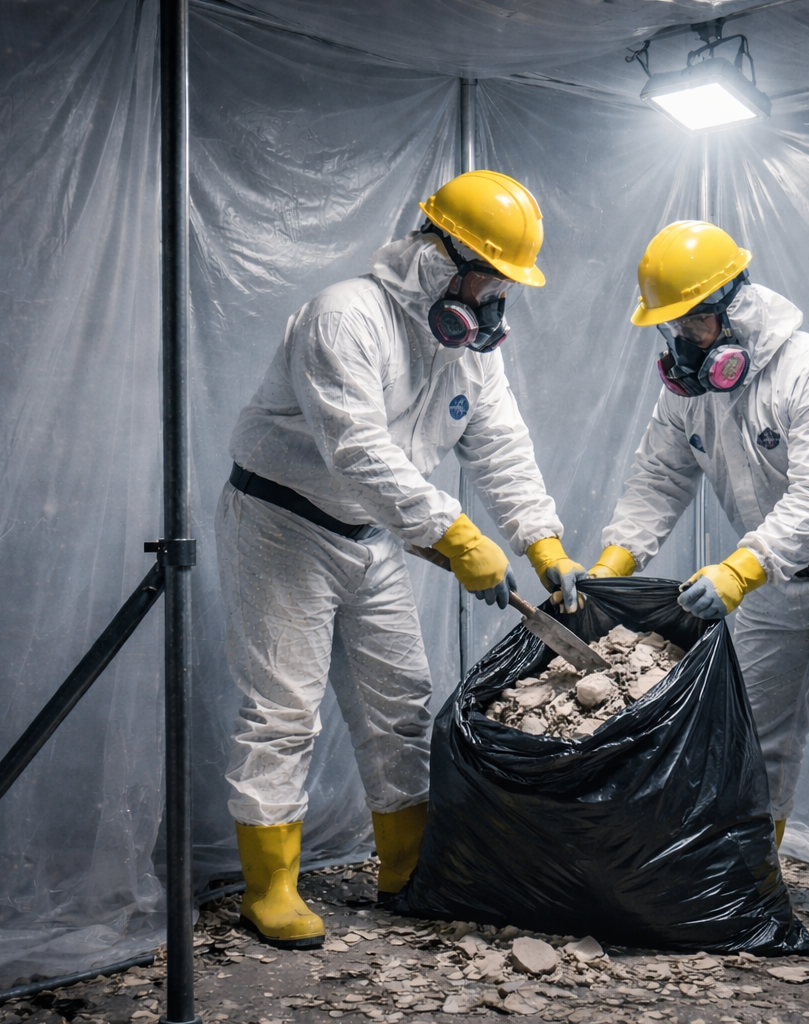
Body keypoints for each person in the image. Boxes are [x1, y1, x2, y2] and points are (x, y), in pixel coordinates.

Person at [219, 170, 585, 948]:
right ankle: (271, 889)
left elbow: (500, 444)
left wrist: (539, 539)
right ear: (438, 256)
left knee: (402, 704)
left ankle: (408, 872)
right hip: (284, 524)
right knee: (284, 710)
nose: (495, 298)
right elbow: (357, 453)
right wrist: (454, 535)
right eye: (489, 275)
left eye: (503, 283)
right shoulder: (343, 318)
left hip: (374, 534)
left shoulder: (469, 348)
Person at [584, 220, 809, 943]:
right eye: (672, 323)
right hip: (772, 574)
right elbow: (658, 476)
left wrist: (742, 568)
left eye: (694, 320)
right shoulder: (690, 388)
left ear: (737, 308)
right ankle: (746, 866)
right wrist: (616, 562)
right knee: (754, 729)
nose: (683, 337)